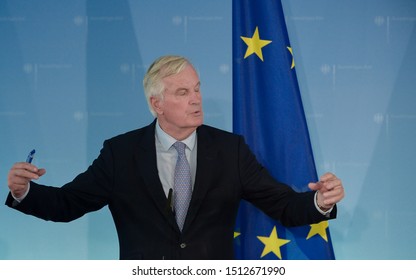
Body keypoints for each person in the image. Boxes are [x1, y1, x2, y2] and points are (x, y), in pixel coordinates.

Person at [6, 55, 345, 260]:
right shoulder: (120, 154)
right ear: (157, 104)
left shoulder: (230, 150)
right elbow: (68, 203)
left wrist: (319, 201)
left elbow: (283, 206)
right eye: (183, 93)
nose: (196, 99)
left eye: (196, 89)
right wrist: (25, 192)